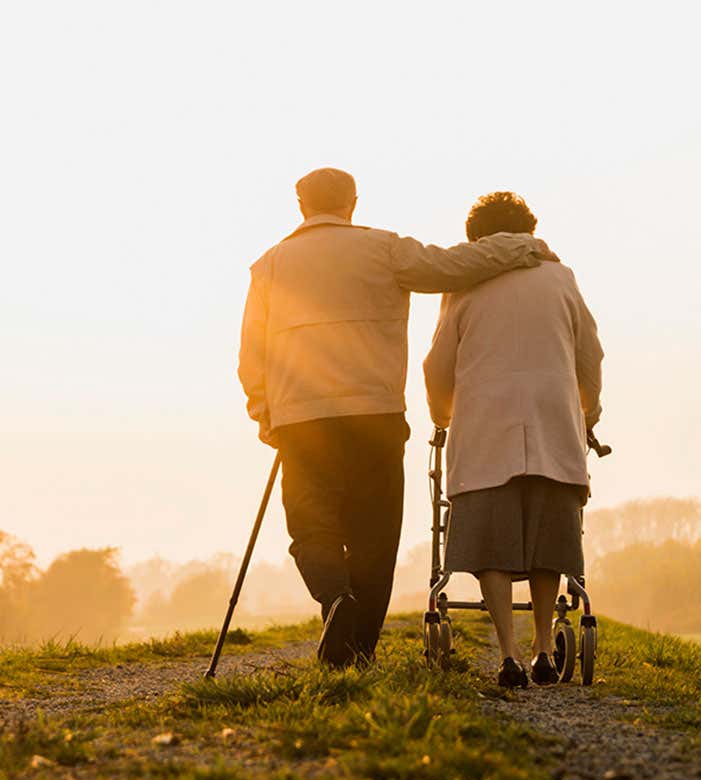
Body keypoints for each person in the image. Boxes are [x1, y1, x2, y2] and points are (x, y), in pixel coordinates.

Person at [238, 169, 555, 668]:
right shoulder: (383, 250)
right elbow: (457, 267)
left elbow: (251, 355)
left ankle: (334, 596)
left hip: (302, 418)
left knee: (310, 525)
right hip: (376, 415)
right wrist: (524, 247)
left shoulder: (269, 266)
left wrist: (264, 412)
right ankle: (357, 652)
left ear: (299, 203)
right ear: (353, 202)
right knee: (374, 535)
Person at [423, 191, 604, 688]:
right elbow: (590, 354)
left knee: (491, 543)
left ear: (475, 239)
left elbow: (437, 365)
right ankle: (545, 647)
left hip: (486, 427)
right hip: (553, 423)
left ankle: (508, 654)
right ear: (529, 229)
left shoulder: (464, 285)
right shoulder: (561, 278)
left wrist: (443, 415)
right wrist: (587, 410)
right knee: (549, 542)